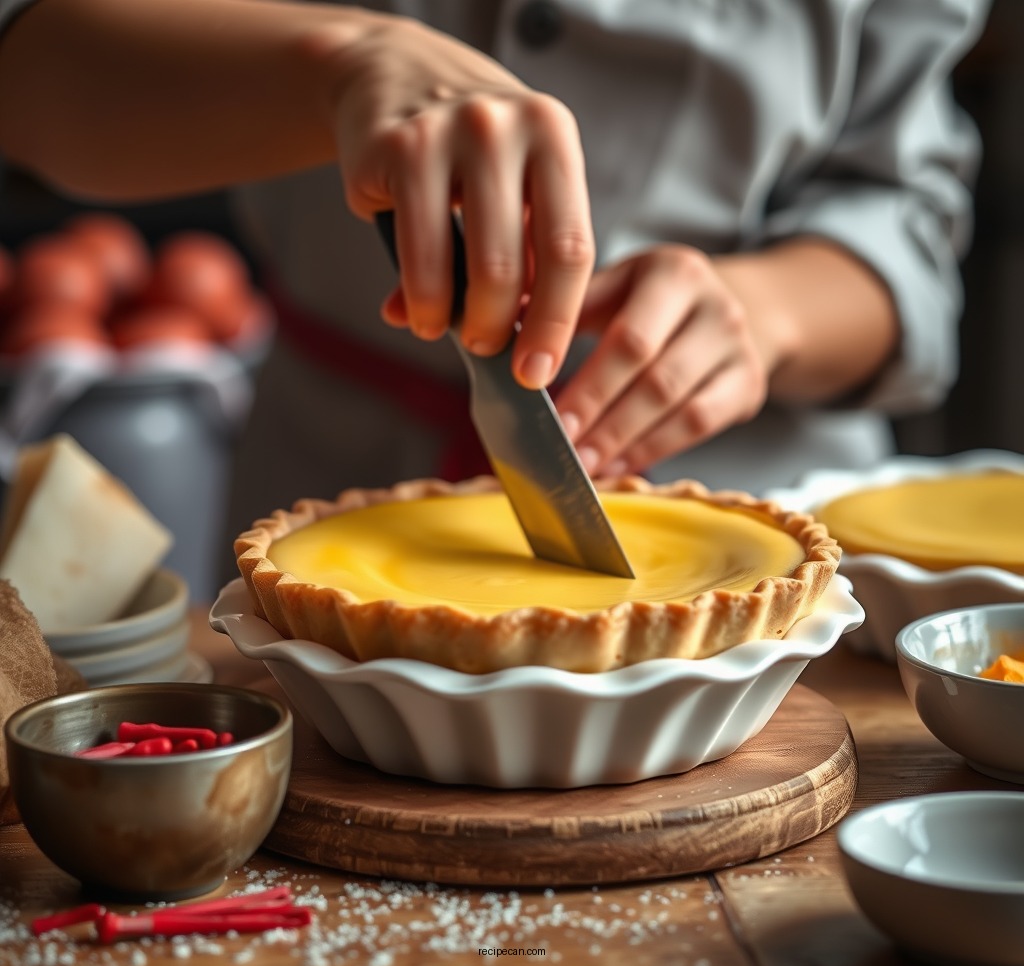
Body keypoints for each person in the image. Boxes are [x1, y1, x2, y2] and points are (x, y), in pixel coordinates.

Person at [0, 0, 991, 555]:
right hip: (318, 484)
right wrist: (340, 62)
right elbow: (30, 73)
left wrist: (762, 313)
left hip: (748, 526)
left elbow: (906, 223)